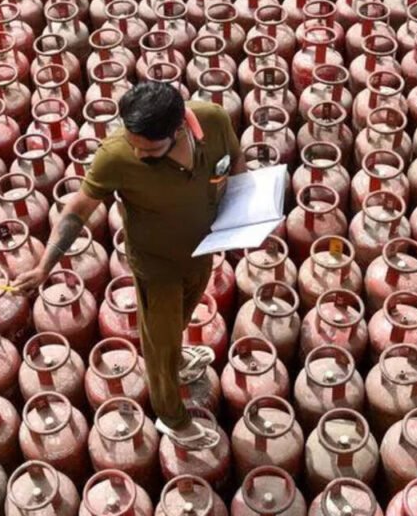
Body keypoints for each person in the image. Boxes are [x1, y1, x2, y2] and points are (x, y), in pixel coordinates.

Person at [13, 82, 246, 447]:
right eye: (133, 144)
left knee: (183, 315)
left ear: (179, 127)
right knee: (159, 345)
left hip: (204, 250)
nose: (138, 153)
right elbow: (77, 210)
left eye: (149, 150)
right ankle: (172, 417)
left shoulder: (213, 121)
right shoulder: (116, 156)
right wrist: (46, 265)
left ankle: (178, 358)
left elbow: (236, 160)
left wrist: (246, 216)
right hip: (156, 265)